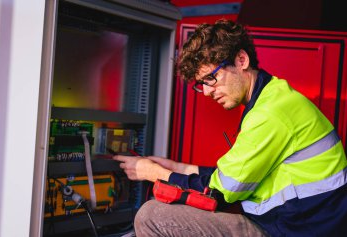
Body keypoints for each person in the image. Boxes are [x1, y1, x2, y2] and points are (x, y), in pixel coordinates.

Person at [113, 19, 347, 236]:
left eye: (210, 78)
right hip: (290, 224)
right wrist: (179, 168)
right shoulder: (274, 98)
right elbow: (232, 177)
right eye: (201, 84)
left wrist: (154, 174)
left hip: (290, 231)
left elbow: (219, 194)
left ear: (241, 60)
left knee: (151, 216)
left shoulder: (270, 113)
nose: (206, 91)